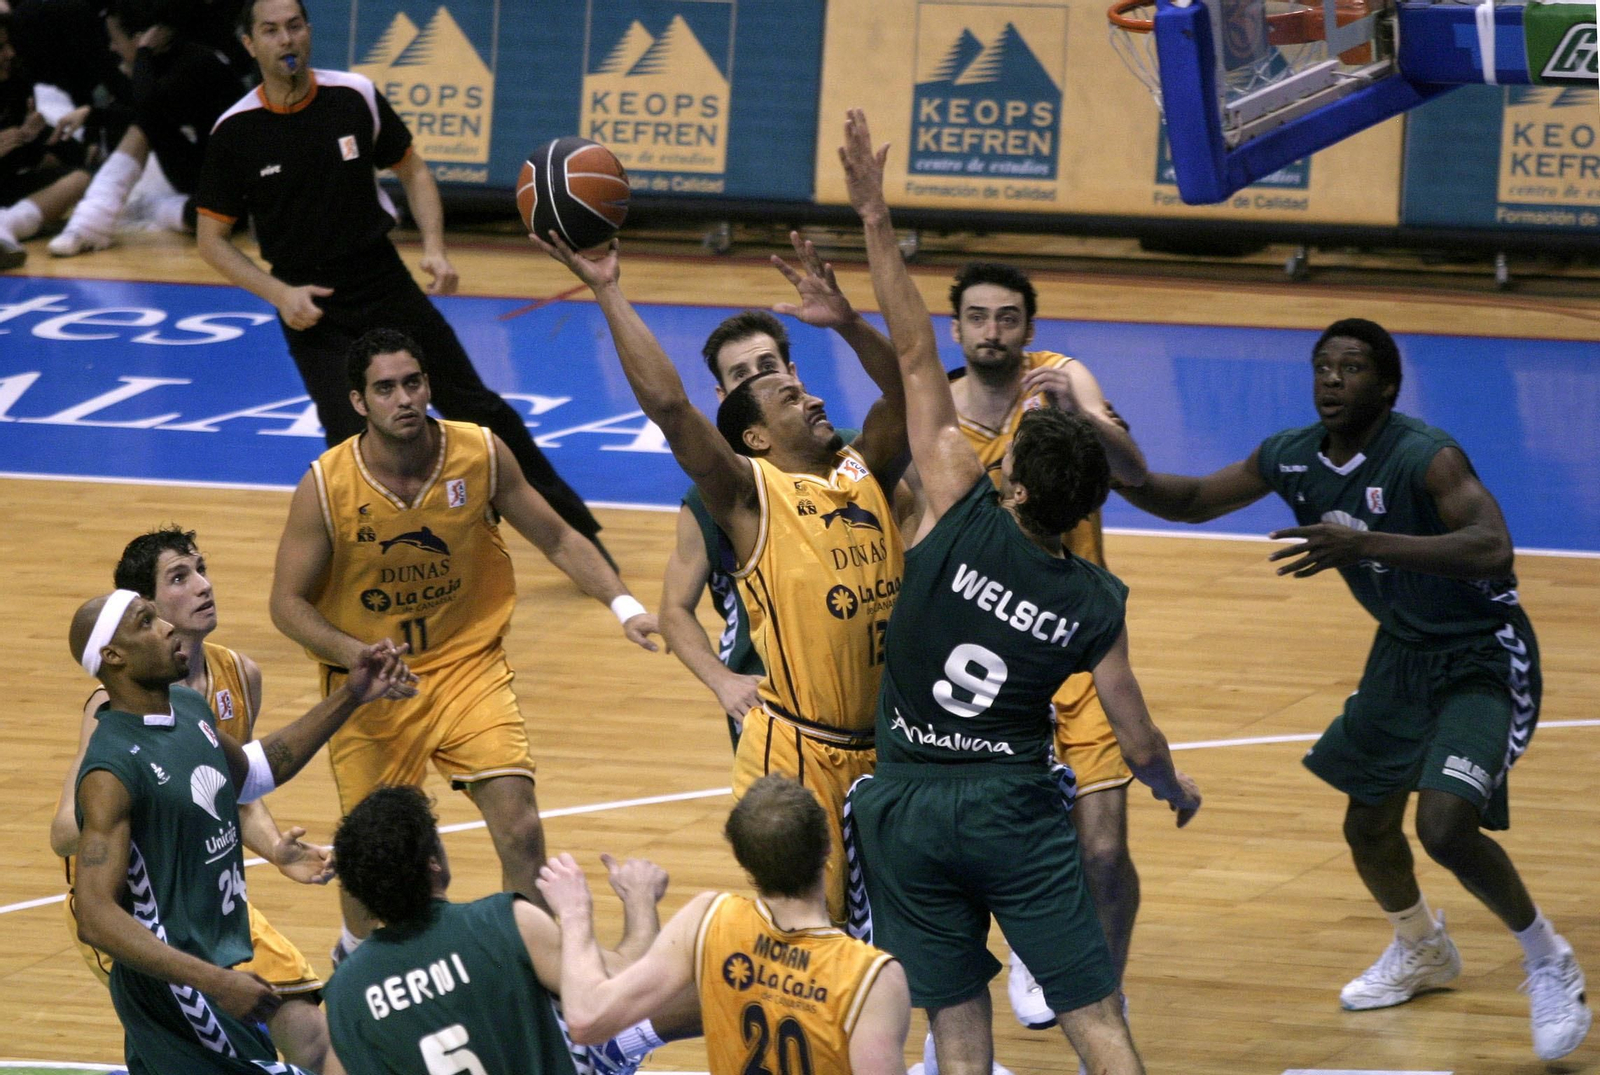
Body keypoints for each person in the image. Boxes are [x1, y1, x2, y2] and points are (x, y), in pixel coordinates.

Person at [833, 110, 1201, 1075]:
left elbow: (916, 354)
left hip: (907, 802)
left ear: (1017, 485)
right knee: (1097, 1020)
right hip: (1012, 806)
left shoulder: (958, 506)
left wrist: (875, 217)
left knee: (957, 1035)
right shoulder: (1095, 601)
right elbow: (1138, 735)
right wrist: (1172, 784)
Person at [1115, 316, 1591, 1061]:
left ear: (1389, 386)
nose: (1332, 379)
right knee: (1367, 826)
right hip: (1400, 656)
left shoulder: (1427, 456)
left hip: (1482, 657)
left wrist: (1366, 543)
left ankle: (1547, 957)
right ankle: (1422, 947)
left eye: (1352, 367)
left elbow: (1494, 547)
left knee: (1444, 826)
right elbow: (1194, 500)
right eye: (1322, 366)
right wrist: (1114, 469)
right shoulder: (1293, 455)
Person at [535, 227, 908, 929]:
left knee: (903, 923)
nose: (814, 401)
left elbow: (909, 385)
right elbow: (671, 410)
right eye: (788, 398)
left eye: (797, 384)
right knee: (812, 934)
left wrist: (850, 323)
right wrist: (607, 289)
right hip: (799, 739)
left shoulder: (861, 468)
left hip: (886, 739)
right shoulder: (744, 495)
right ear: (755, 434)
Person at [269, 328, 658, 960]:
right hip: (372, 689)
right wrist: (354, 656)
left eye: (413, 382)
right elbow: (286, 605)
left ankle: (530, 975)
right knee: (374, 860)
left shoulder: (479, 453)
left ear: (428, 384)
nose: (404, 399)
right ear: (358, 402)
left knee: (521, 826)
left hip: (466, 666)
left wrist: (624, 606)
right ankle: (357, 965)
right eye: (385, 388)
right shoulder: (327, 485)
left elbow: (558, 537)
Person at [195, 0, 607, 559]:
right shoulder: (235, 131)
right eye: (270, 30)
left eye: (294, 26)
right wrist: (279, 294)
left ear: (308, 31)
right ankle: (367, 562)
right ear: (249, 44)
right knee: (348, 439)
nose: (285, 39)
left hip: (383, 280)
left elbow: (413, 171)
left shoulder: (353, 96)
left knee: (477, 409)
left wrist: (434, 248)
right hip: (312, 305)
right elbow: (211, 240)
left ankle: (576, 534)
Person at [895, 261, 1149, 1034]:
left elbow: (1137, 473)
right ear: (956, 327)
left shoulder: (1063, 380)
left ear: (1029, 327)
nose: (993, 331)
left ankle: (1104, 991)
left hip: (1074, 649)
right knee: (990, 838)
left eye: (1008, 317)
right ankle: (1022, 957)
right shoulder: (942, 425)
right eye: (978, 317)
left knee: (1103, 849)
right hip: (991, 665)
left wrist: (1083, 418)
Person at [67, 586, 408, 1075]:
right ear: (113, 656)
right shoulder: (112, 769)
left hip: (211, 968)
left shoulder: (188, 709)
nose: (167, 626)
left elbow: (256, 772)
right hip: (180, 989)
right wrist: (214, 983)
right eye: (146, 622)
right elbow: (94, 916)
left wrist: (351, 695)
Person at [51, 526, 338, 1072]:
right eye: (180, 578)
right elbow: (67, 832)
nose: (203, 585)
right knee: (279, 1040)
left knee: (297, 1033)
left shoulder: (227, 681)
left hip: (209, 901)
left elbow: (234, 785)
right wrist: (150, 805)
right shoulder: (113, 722)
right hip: (147, 915)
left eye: (201, 569)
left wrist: (276, 848)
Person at [657, 234, 876, 752]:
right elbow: (674, 610)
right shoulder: (709, 497)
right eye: (740, 376)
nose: (757, 380)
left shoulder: (848, 452)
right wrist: (721, 681)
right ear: (722, 396)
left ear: (793, 374)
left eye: (768, 367)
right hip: (771, 700)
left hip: (866, 687)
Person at [537, 775, 911, 1075]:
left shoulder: (710, 920)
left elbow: (586, 1019)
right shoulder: (871, 976)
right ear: (828, 845)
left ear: (742, 859)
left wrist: (575, 913)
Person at [325, 785, 695, 1075]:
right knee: (710, 960)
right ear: (433, 862)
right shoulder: (503, 921)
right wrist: (639, 900)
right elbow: (629, 985)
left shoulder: (344, 992)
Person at [46, 0, 247, 255]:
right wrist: (93, 114)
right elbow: (152, 109)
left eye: (115, 40)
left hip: (235, 189)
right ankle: (93, 223)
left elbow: (148, 108)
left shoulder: (194, 64)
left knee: (208, 218)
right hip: (208, 178)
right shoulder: (177, 60)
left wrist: (142, 54)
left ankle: (96, 222)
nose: (112, 47)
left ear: (143, 37)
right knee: (148, 122)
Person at [0, 10, 91, 268]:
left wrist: (29, 139)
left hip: (6, 187)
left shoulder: (16, 83)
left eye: (8, 45)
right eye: (0, 48)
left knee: (81, 177)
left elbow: (21, 162)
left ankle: (7, 224)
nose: (10, 54)